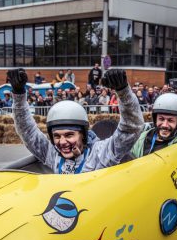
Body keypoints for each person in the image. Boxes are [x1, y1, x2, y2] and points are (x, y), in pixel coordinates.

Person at [8, 67, 143, 174]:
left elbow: (130, 129)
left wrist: (123, 92)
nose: (62, 142)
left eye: (69, 135)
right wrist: (19, 94)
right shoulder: (53, 155)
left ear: (83, 134)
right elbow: (27, 131)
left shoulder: (100, 154)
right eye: (56, 136)